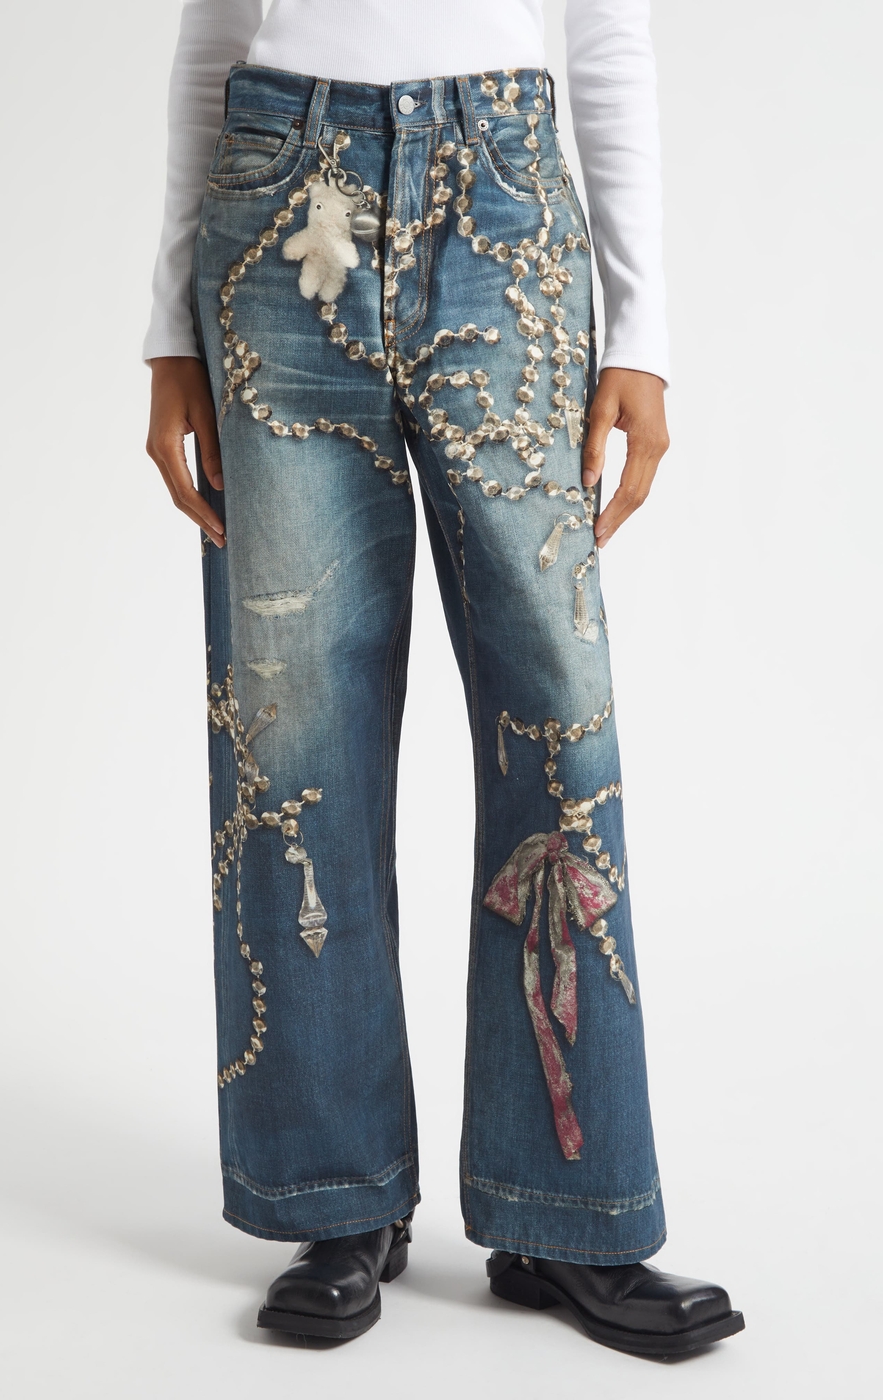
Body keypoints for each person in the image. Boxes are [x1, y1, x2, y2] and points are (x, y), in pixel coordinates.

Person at [145, 0, 744, 1355]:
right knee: (296, 730)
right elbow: (213, 29)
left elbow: (606, 30)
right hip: (276, 207)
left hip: (506, 217)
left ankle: (565, 1213)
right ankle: (336, 1196)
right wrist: (167, 323)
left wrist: (642, 330)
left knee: (558, 722)